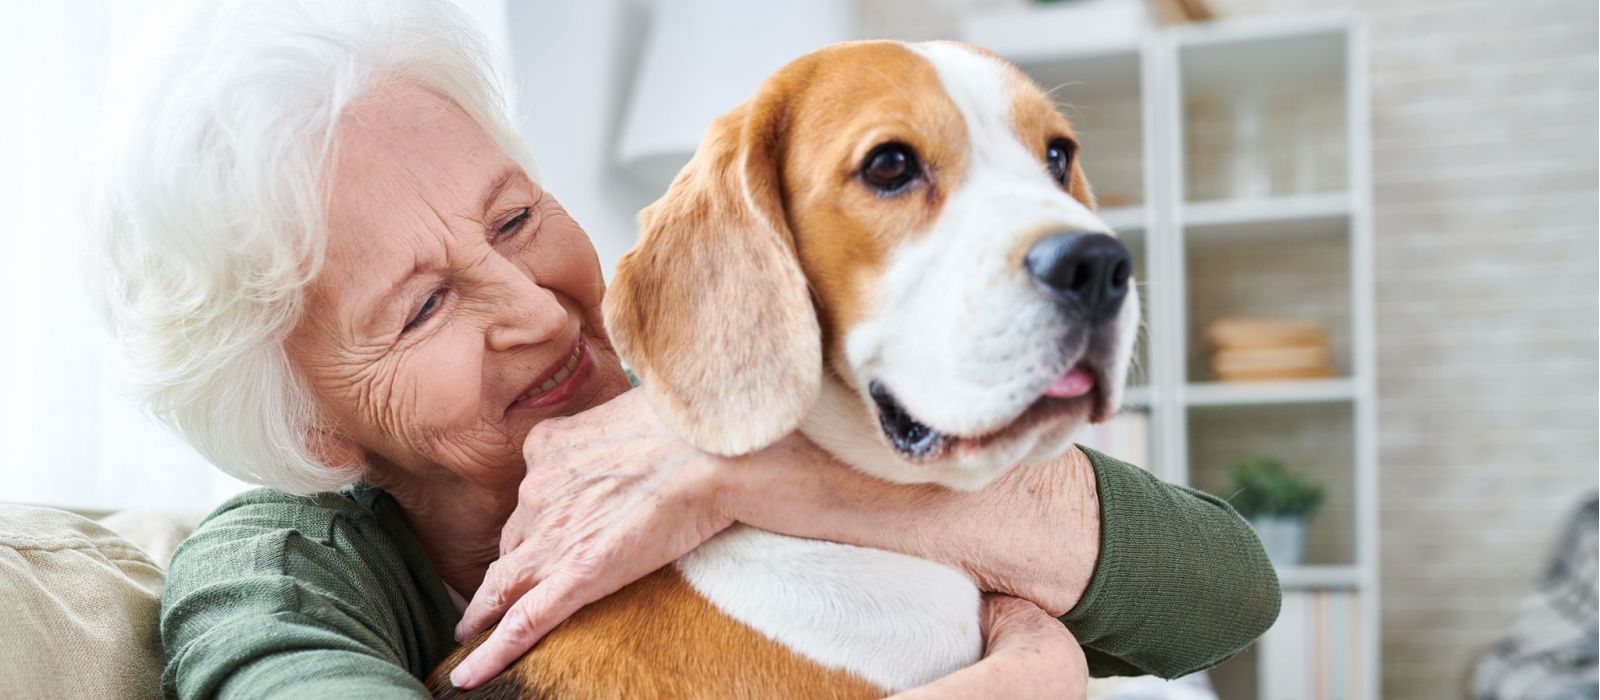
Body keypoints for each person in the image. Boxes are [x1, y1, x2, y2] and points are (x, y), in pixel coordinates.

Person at [93, 1, 1280, 698]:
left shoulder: (743, 376)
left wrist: (736, 463)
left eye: (514, 218)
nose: (539, 308)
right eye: (422, 308)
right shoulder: (282, 570)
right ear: (313, 418)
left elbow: (1226, 586)